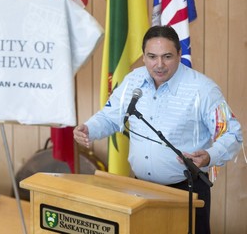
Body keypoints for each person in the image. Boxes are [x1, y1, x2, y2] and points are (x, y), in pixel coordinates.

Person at [73, 25, 243, 234]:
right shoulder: (132, 81)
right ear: (143, 56)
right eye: (152, 56)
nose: (159, 65)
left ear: (180, 54)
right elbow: (110, 116)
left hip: (186, 191)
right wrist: (89, 129)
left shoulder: (202, 89)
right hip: (141, 190)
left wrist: (209, 156)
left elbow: (233, 132)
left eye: (167, 56)